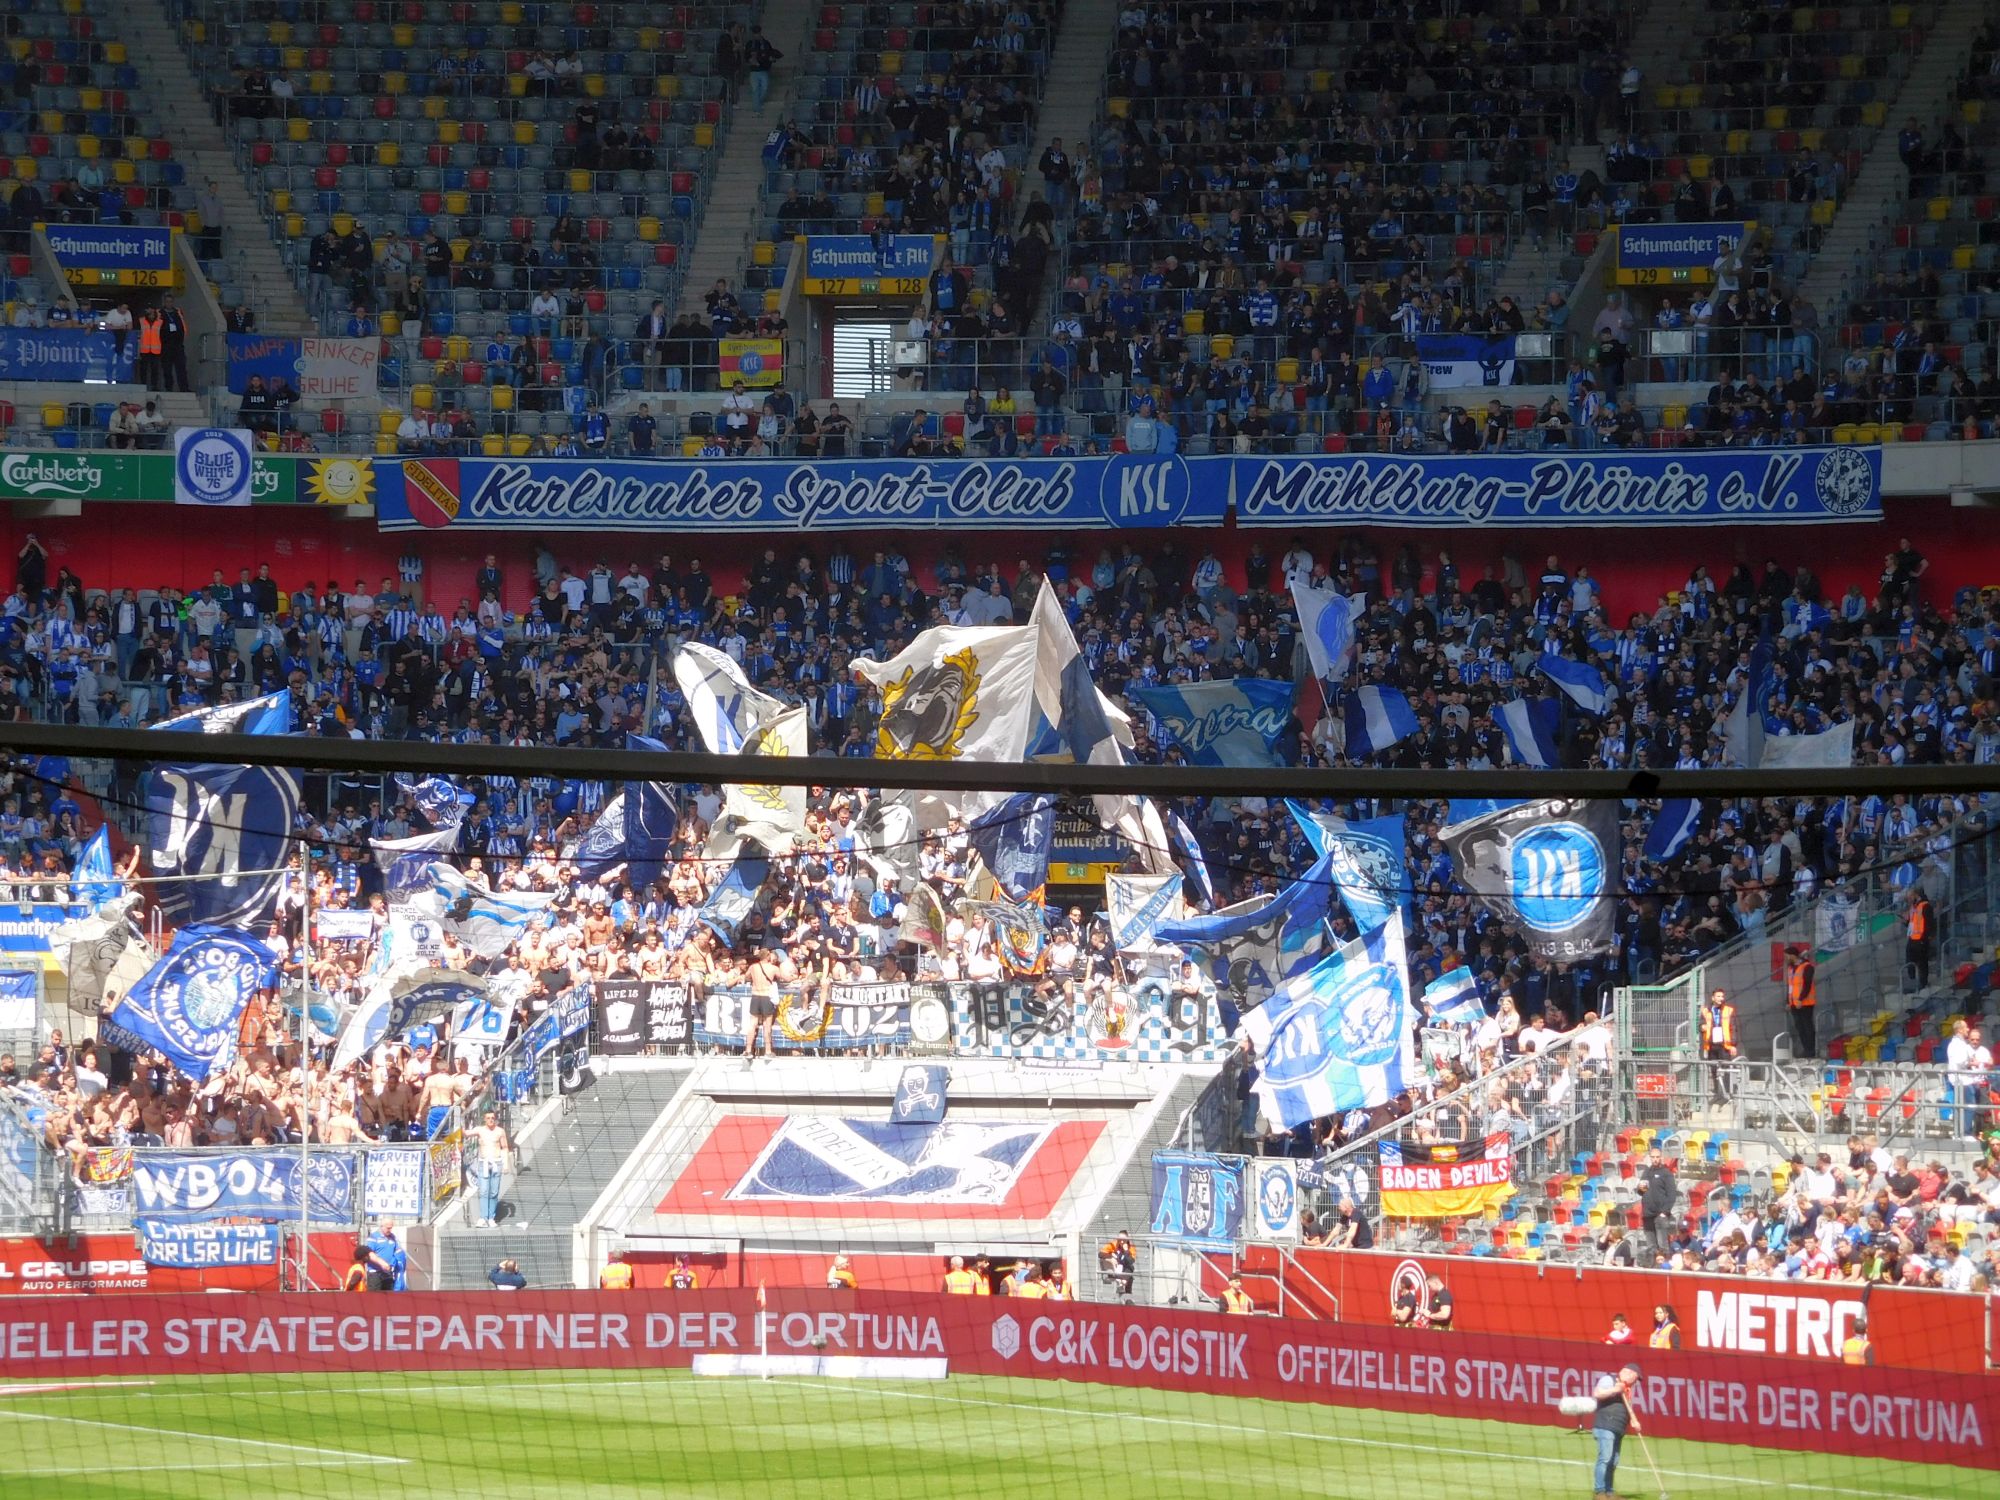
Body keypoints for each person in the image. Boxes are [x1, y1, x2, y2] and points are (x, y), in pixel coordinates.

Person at [1590, 1363, 1642, 1500]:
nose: (1635, 1382)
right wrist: (1615, 1389)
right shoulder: (1609, 1380)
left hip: (1618, 1428)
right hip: (1605, 1425)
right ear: (1629, 1373)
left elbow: (1628, 1407)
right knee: (1605, 1458)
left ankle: (1609, 1492)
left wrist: (1634, 1420)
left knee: (1614, 1461)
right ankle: (1599, 1492)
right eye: (1636, 1379)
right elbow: (1597, 1393)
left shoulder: (1627, 1389)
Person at [468, 1108, 511, 1228]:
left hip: (496, 1163)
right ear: (484, 1119)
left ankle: (491, 1217)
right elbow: (466, 1133)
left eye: (492, 1118)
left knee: (494, 1192)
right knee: (484, 1190)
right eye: (488, 1118)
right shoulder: (480, 1130)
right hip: (484, 1163)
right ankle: (483, 1217)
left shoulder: (500, 1131)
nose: (491, 1120)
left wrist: (506, 1164)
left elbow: (505, 1147)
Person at [1700, 987, 1738, 1102]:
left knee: (1725, 1070)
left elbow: (1734, 1028)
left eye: (1722, 996)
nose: (1721, 998)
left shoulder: (1728, 1010)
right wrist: (1702, 1027)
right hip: (1711, 1045)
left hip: (1724, 1045)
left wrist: (1733, 1045)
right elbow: (1701, 1024)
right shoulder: (1706, 1011)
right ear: (1713, 998)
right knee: (1714, 1070)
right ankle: (1717, 1093)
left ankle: (1727, 1095)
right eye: (1718, 996)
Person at [1784, 945, 1817, 1059]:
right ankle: (1806, 1050)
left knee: (1808, 1027)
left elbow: (1807, 985)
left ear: (1792, 955)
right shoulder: (1791, 969)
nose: (1786, 958)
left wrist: (1800, 999)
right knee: (1800, 1028)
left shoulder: (1807, 967)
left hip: (1805, 1003)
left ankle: (1811, 1051)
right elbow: (1790, 987)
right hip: (1794, 1004)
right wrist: (1788, 1001)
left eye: (1787, 956)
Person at [1905, 889, 1935, 990]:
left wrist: (1927, 936)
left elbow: (1929, 923)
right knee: (1910, 962)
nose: (1909, 899)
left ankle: (1923, 983)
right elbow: (1912, 923)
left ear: (1916, 895)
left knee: (1922, 963)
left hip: (1921, 940)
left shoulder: (1925, 906)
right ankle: (1912, 982)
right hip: (1912, 938)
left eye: (1910, 897)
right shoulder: (1913, 907)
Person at [1099, 1232, 1136, 1299]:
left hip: (1124, 1269)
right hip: (1113, 1268)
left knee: (1130, 1270)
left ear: (1127, 1240)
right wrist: (1111, 1256)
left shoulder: (1131, 1247)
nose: (1121, 1242)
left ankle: (1124, 1289)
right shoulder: (1113, 1244)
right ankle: (1115, 1279)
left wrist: (1126, 1251)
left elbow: (1131, 1261)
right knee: (1108, 1260)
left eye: (1123, 1240)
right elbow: (1100, 1254)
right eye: (1119, 1239)